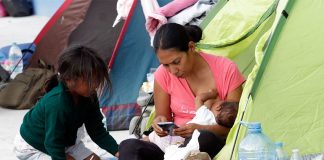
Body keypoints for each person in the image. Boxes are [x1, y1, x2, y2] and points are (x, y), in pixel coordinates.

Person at [119, 23, 245, 160]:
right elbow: (162, 116)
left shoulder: (226, 70)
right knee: (128, 147)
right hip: (173, 145)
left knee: (203, 138)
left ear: (191, 47)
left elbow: (236, 126)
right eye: (165, 65)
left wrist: (199, 128)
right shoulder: (162, 75)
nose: (172, 71)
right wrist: (159, 122)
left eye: (176, 62)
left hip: (207, 142)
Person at [13, 46, 119, 160]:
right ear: (70, 79)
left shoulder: (89, 95)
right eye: (90, 80)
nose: (96, 84)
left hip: (65, 142)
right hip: (33, 145)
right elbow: (52, 144)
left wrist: (119, 152)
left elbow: (97, 131)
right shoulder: (56, 103)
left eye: (97, 79)